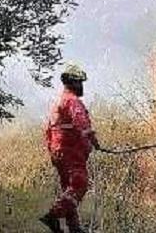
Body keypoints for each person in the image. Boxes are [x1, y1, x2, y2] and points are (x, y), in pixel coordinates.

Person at [40, 64, 99, 233]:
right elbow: (82, 123)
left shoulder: (57, 103)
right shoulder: (73, 101)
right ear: (72, 83)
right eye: (80, 82)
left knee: (68, 189)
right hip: (72, 152)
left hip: (58, 152)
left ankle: (74, 228)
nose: (82, 86)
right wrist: (94, 141)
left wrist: (52, 152)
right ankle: (53, 215)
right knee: (80, 184)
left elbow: (48, 130)